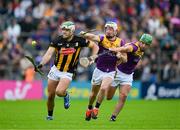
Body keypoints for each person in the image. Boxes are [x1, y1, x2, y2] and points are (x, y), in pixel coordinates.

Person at [35, 21, 99, 120]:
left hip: (68, 72)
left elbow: (95, 46)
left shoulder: (79, 40)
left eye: (67, 30)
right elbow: (48, 54)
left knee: (59, 92)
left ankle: (66, 94)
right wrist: (41, 64)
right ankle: (50, 115)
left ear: (72, 31)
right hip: (55, 70)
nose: (64, 32)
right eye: (63, 29)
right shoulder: (57, 40)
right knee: (50, 95)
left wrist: (92, 58)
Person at [80, 21, 127, 121]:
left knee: (103, 88)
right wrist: (84, 34)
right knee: (93, 94)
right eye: (107, 29)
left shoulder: (121, 42)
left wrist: (120, 56)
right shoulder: (102, 38)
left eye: (111, 29)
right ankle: (89, 108)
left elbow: (125, 59)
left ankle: (96, 108)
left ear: (115, 31)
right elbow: (93, 37)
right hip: (99, 70)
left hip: (110, 71)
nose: (108, 31)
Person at [107, 33, 153, 121]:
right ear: (140, 41)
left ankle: (113, 117)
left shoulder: (142, 50)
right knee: (109, 97)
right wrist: (115, 50)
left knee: (123, 96)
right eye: (143, 43)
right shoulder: (133, 47)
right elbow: (124, 48)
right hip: (118, 73)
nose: (144, 45)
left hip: (128, 75)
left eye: (146, 44)